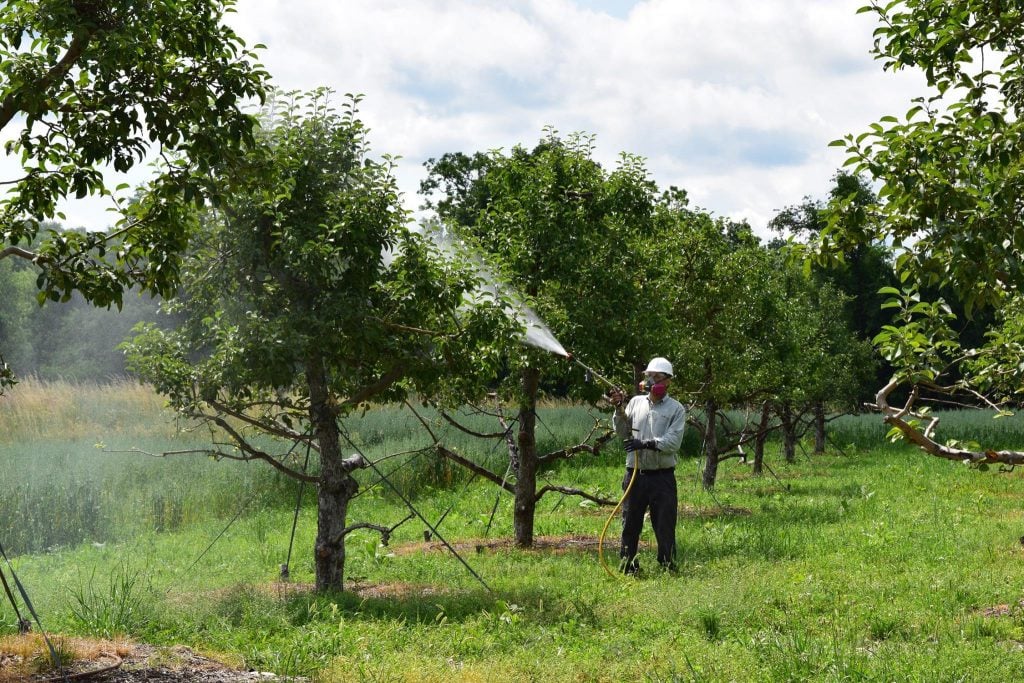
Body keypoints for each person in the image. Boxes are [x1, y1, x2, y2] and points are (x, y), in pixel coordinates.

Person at [608, 356, 686, 574]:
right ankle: (628, 565)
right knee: (630, 522)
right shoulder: (635, 402)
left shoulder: (676, 409)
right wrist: (618, 409)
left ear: (668, 380)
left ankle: (667, 564)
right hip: (635, 474)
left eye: (657, 376)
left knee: (664, 523)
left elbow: (673, 442)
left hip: (662, 477)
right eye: (649, 376)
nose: (651, 380)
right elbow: (623, 432)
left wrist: (647, 443)